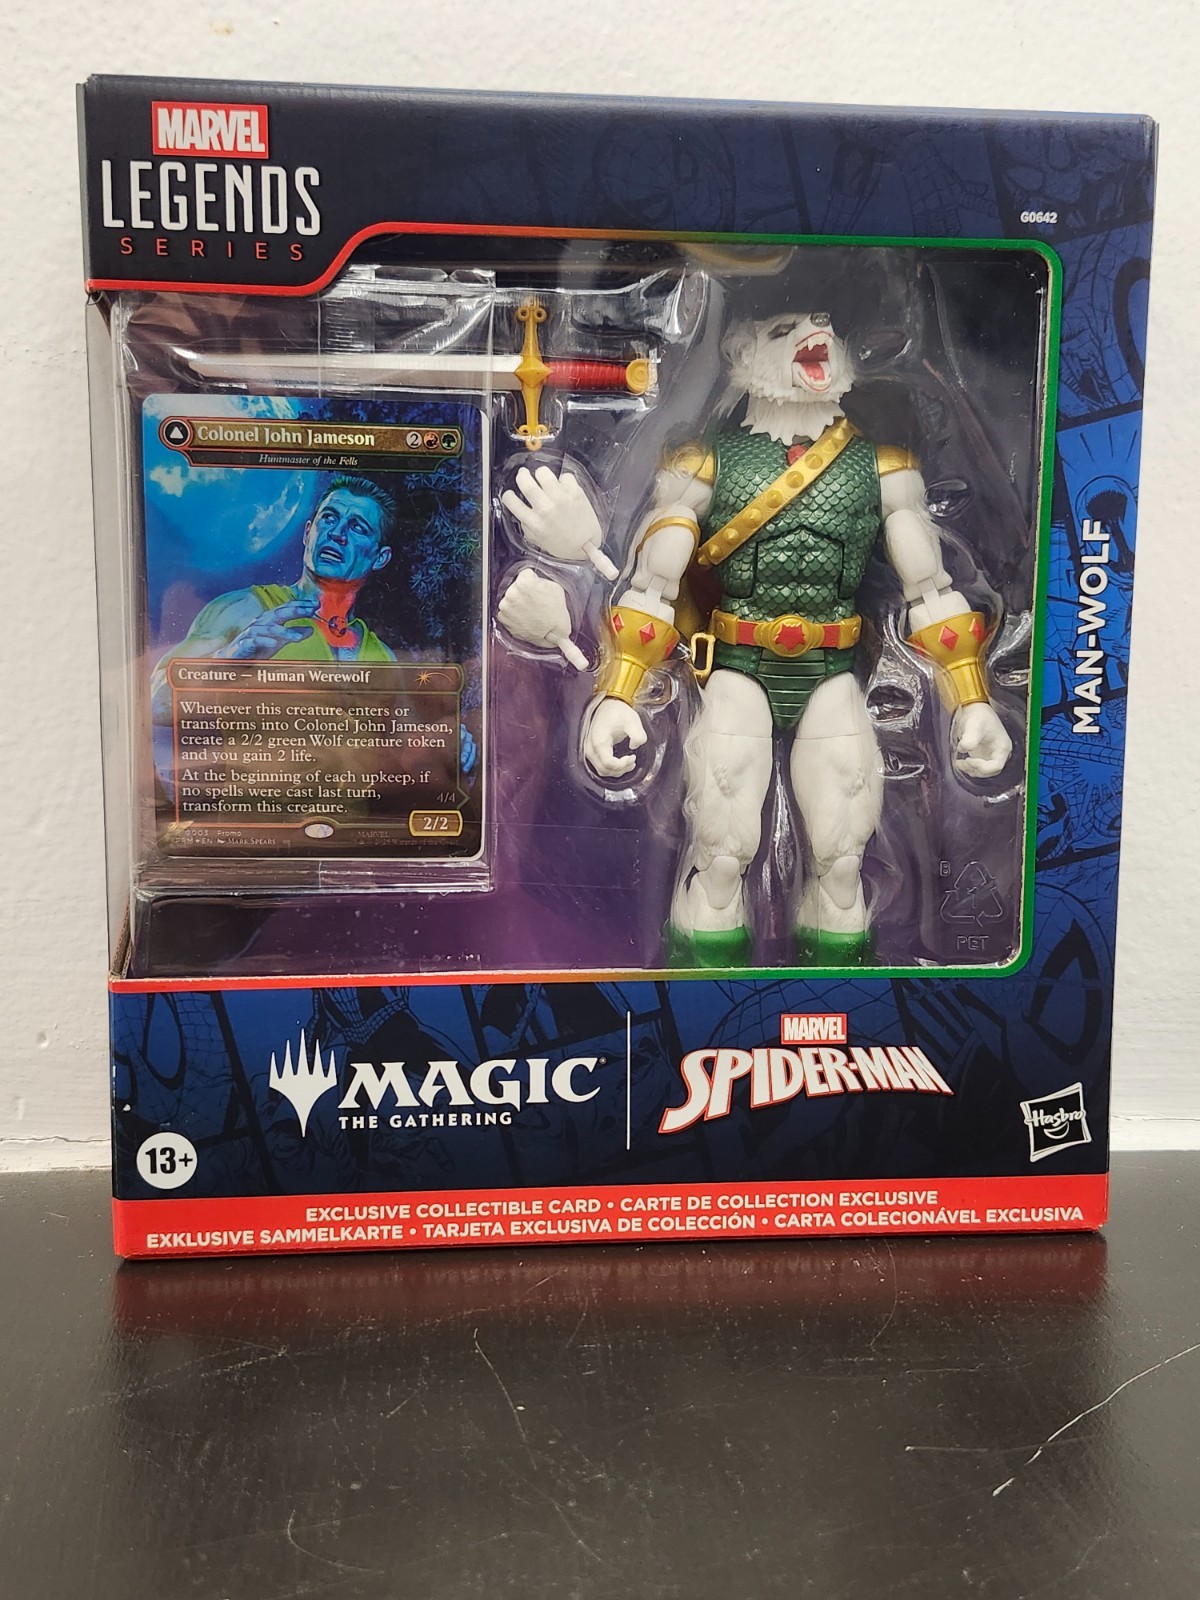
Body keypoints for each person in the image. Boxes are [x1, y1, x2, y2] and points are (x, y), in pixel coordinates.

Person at [504, 305, 1011, 967]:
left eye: (824, 324)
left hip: (831, 673)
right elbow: (653, 585)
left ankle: (842, 995)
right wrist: (619, 695)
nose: (812, 333)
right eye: (781, 331)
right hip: (737, 669)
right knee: (720, 857)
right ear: (742, 353)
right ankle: (702, 992)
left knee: (842, 862)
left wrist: (971, 701)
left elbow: (932, 591)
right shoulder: (703, 463)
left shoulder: (884, 469)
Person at [151, 475, 397, 720]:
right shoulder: (244, 609)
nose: (337, 533)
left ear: (381, 558)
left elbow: (406, 739)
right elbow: (156, 705)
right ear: (308, 533)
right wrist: (229, 660)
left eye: (357, 527)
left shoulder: (385, 657)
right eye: (329, 518)